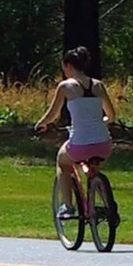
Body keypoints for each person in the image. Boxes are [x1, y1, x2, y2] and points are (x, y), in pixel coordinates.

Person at [35, 46, 116, 218]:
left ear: (69, 66)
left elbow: (52, 114)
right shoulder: (99, 85)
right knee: (93, 169)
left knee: (62, 162)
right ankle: (107, 205)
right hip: (103, 144)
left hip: (80, 145)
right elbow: (111, 115)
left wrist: (41, 124)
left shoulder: (65, 86)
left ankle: (68, 206)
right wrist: (102, 121)